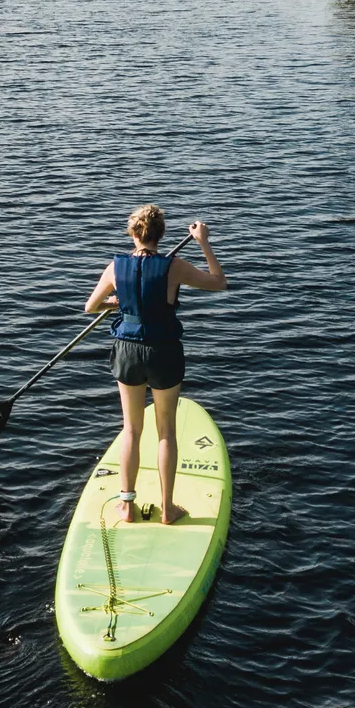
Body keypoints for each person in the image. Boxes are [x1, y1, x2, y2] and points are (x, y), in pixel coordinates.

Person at [84, 205, 227, 525]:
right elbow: (219, 282)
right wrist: (203, 242)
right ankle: (167, 508)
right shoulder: (174, 266)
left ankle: (126, 506)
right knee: (166, 432)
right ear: (160, 235)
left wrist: (115, 303)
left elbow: (90, 307)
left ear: (133, 234)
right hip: (163, 351)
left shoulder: (115, 267)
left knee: (131, 429)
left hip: (127, 351)